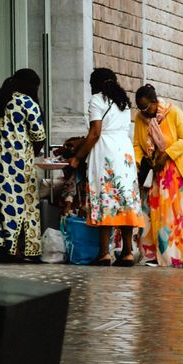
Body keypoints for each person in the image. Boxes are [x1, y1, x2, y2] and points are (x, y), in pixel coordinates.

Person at [71, 67, 144, 264]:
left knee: (106, 196)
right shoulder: (123, 102)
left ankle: (104, 253)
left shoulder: (97, 100)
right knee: (125, 199)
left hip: (106, 152)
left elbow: (96, 132)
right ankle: (127, 252)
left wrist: (77, 157)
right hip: (124, 152)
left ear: (95, 84)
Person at [133, 84, 183, 267]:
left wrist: (167, 154)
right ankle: (155, 255)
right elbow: (137, 145)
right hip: (155, 172)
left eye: (146, 107)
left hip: (177, 171)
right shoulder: (140, 118)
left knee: (179, 214)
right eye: (140, 108)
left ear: (154, 102)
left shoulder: (174, 112)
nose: (143, 112)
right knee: (153, 213)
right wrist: (137, 163)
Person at [0, 69, 45, 262]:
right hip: (18, 157)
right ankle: (17, 249)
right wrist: (33, 152)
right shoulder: (27, 102)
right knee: (21, 202)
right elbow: (38, 134)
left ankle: (3, 246)